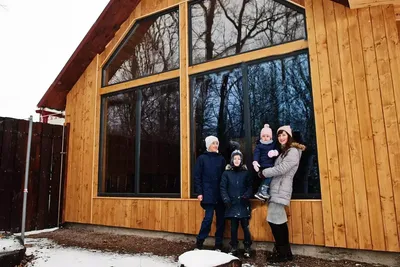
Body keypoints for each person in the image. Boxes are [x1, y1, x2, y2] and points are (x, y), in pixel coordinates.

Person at [259, 125, 305, 263]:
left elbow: (283, 168)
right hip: (277, 189)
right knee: (279, 222)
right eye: (279, 135)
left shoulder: (293, 151)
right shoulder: (285, 151)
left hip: (281, 189)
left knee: (274, 221)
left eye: (284, 135)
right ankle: (285, 253)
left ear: (289, 136)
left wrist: (264, 172)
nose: (281, 138)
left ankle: (282, 253)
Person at [194, 135, 226, 251]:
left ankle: (218, 244)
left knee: (221, 220)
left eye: (217, 143)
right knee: (208, 219)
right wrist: (199, 192)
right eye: (213, 143)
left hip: (220, 194)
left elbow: (225, 177)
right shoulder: (202, 158)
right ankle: (199, 242)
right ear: (208, 145)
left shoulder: (221, 159)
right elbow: (197, 177)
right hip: (207, 194)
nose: (215, 145)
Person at [220, 150, 253, 258]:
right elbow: (223, 188)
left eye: (239, 159)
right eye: (235, 158)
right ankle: (234, 247)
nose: (237, 160)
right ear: (232, 160)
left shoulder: (246, 173)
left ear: (241, 160)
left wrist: (246, 196)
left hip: (243, 204)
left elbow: (250, 187)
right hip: (232, 205)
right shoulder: (226, 173)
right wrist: (226, 199)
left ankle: (247, 247)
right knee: (233, 228)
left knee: (245, 227)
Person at [252, 124, 279, 201]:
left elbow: (277, 150)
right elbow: (256, 154)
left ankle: (259, 192)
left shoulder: (272, 144)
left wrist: (274, 152)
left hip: (270, 164)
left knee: (266, 178)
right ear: (261, 137)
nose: (265, 138)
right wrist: (255, 162)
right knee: (269, 177)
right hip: (263, 165)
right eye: (263, 136)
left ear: (270, 137)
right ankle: (263, 190)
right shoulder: (259, 146)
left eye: (267, 136)